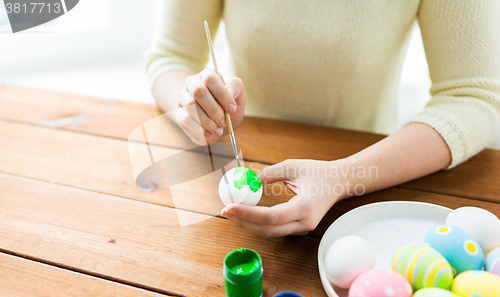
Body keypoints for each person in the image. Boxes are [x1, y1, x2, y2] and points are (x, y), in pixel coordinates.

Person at [145, 0, 500, 237]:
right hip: (246, 153)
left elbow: (474, 99)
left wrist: (343, 176)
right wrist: (192, 104)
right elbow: (169, 55)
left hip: (368, 176)